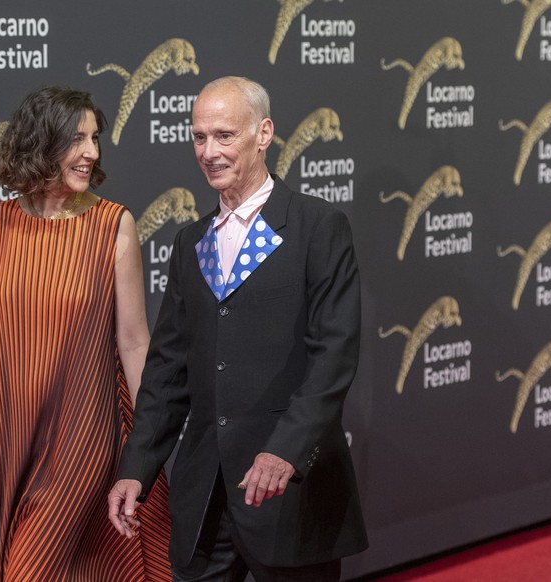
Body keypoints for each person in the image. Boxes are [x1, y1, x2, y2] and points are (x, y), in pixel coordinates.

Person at [108, 76, 368, 581]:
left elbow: (333, 356)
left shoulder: (318, 227)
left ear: (264, 133)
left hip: (291, 492)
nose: (209, 152)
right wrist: (136, 466)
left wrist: (285, 449)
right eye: (199, 137)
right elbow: (166, 371)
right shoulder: (190, 244)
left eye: (224, 136)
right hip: (206, 499)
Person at [0, 86, 171, 581]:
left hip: (81, 435)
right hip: (4, 433)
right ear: (41, 142)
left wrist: (149, 446)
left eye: (95, 139)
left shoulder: (113, 226)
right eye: (78, 139)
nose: (92, 153)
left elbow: (135, 342)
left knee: (31, 569)